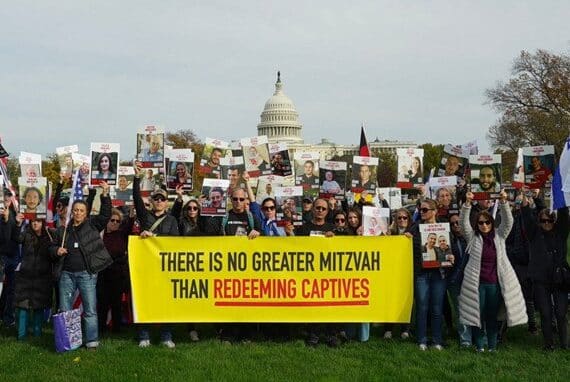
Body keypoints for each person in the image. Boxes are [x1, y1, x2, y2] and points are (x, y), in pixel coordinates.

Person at [459, 190, 527, 352]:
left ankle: (492, 346)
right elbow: (463, 223)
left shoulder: (499, 236)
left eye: (487, 222)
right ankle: (480, 346)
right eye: (481, 223)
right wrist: (467, 204)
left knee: (492, 317)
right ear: (477, 224)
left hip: (494, 284)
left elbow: (508, 222)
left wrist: (504, 202)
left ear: (491, 223)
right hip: (476, 284)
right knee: (477, 317)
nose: (484, 225)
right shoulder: (472, 237)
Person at [50, 182, 113, 350]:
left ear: (86, 214)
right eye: (75, 210)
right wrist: (57, 250)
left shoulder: (92, 225)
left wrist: (105, 194)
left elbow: (106, 214)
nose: (77, 213)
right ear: (72, 212)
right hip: (66, 275)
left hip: (87, 274)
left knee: (90, 309)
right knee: (65, 309)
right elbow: (51, 248)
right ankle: (69, 341)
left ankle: (91, 341)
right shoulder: (63, 230)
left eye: (81, 211)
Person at [133, 162, 179, 348]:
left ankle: (166, 336)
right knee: (145, 300)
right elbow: (136, 199)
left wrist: (155, 236)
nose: (159, 201)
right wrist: (137, 178)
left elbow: (175, 240)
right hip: (147, 266)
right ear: (151, 201)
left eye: (162, 199)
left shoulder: (172, 220)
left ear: (167, 202)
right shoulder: (145, 217)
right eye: (156, 199)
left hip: (166, 267)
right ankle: (144, 335)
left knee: (166, 302)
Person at [522, 199, 569, 350]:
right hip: (541, 279)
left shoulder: (561, 232)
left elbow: (563, 215)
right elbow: (527, 218)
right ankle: (548, 344)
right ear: (539, 222)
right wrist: (525, 205)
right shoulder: (534, 233)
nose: (547, 223)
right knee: (545, 313)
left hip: (559, 278)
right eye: (543, 221)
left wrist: (560, 201)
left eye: (550, 220)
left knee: (561, 313)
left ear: (555, 221)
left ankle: (565, 344)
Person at [407, 198, 453, 350]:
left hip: (438, 274)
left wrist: (451, 256)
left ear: (435, 211)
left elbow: (448, 248)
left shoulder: (443, 228)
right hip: (422, 274)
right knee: (422, 306)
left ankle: (437, 340)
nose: (422, 212)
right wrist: (406, 238)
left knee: (437, 307)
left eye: (425, 210)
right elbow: (409, 246)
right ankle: (421, 340)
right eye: (421, 209)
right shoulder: (415, 228)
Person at [11, 216, 55, 339]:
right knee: (23, 307)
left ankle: (37, 335)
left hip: (43, 277)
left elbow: (54, 251)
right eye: (33, 221)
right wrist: (18, 224)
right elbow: (16, 238)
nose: (35, 223)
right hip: (25, 276)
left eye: (38, 221)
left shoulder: (49, 236)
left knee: (39, 307)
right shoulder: (26, 234)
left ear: (43, 222)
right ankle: (21, 336)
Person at [98, 208, 134, 333]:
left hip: (117, 275)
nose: (114, 223)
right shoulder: (100, 235)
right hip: (102, 274)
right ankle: (101, 328)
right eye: (112, 220)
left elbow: (130, 223)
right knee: (102, 303)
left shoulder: (122, 234)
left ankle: (117, 329)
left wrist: (132, 212)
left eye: (117, 221)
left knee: (116, 304)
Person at [384, 208, 412, 340]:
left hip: (407, 271)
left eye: (404, 218)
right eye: (399, 218)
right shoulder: (391, 233)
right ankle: (388, 328)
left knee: (406, 300)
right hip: (392, 271)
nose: (402, 220)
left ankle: (405, 329)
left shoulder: (413, 233)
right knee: (390, 300)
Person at [446, 213, 472, 347]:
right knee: (460, 310)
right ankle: (465, 339)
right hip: (455, 279)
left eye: (458, 222)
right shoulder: (448, 240)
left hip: (472, 279)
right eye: (452, 224)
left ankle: (481, 336)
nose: (456, 225)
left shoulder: (472, 238)